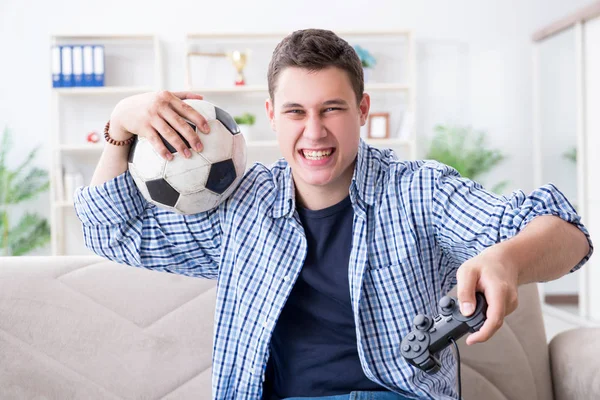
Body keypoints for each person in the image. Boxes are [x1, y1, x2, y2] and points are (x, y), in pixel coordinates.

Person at [74, 29, 593, 400]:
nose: (315, 132)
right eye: (297, 112)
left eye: (333, 109)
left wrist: (507, 259)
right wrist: (120, 125)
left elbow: (570, 235)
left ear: (363, 110)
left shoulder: (420, 191)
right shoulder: (239, 208)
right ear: (273, 116)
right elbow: (112, 232)